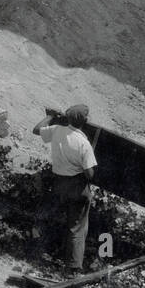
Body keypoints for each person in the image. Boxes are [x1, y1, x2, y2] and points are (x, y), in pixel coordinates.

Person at [32, 104, 98, 272]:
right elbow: (90, 174)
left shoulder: (56, 130)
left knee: (50, 216)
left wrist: (51, 116)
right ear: (85, 121)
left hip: (58, 184)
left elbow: (36, 129)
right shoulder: (84, 143)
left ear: (67, 117)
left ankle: (36, 251)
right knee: (76, 227)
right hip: (77, 187)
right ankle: (73, 268)